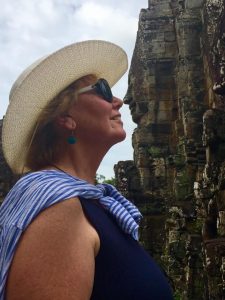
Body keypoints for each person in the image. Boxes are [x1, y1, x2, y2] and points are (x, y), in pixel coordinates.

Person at [0, 40, 173, 300]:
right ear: (64, 117)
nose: (117, 101)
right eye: (102, 90)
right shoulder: (58, 207)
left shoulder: (90, 202)